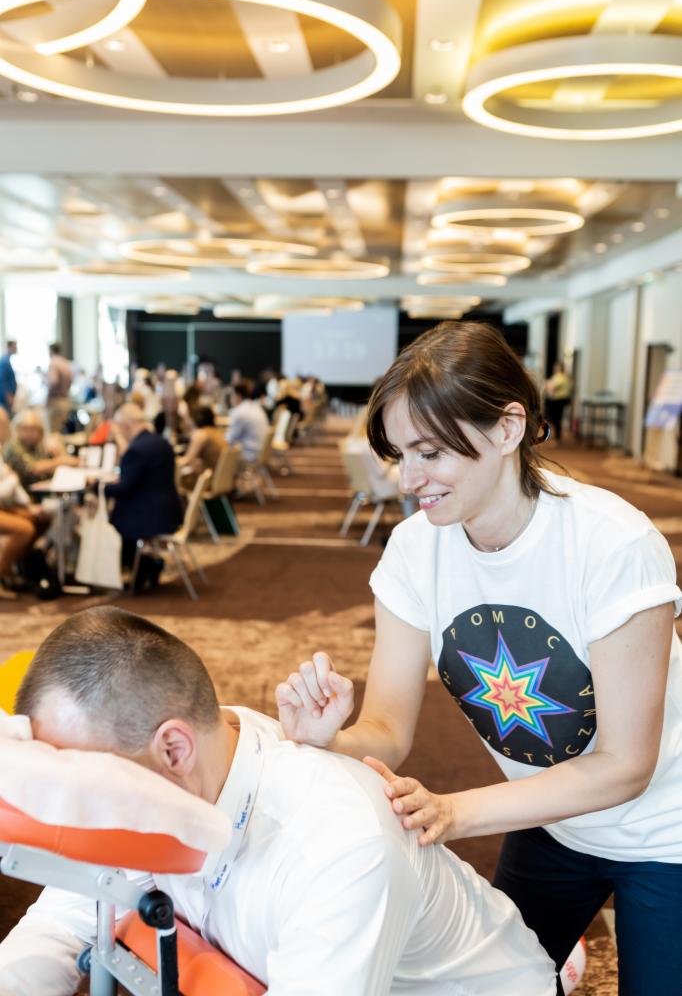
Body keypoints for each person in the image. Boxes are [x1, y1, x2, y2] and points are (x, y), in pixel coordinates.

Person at [276, 321, 682, 996]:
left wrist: (457, 812)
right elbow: (388, 730)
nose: (409, 480)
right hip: (547, 817)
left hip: (667, 834)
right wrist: (334, 741)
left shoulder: (611, 544)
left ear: (507, 429)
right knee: (493, 986)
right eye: (399, 455)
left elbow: (625, 766)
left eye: (430, 453)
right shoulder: (414, 551)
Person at [0, 606, 555, 996]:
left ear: (174, 747)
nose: (75, 801)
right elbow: (61, 922)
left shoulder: (339, 843)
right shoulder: (170, 768)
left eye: (82, 777)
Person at [104, 403, 182, 590]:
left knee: (113, 521)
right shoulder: (161, 443)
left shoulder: (137, 450)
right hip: (169, 510)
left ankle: (144, 567)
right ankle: (147, 567)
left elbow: (124, 488)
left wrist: (98, 487)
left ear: (127, 426)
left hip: (149, 516)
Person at [0, 407, 51, 599]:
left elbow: (14, 487)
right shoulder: (9, 448)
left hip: (6, 504)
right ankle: (2, 574)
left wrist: (29, 507)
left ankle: (16, 568)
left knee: (41, 519)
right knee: (24, 530)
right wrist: (12, 480)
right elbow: (9, 485)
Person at [3, 409, 77, 489]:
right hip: (27, 493)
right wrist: (60, 461)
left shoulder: (39, 444)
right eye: (25, 429)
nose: (29, 433)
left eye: (33, 429)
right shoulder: (12, 446)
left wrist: (59, 449)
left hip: (46, 487)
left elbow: (61, 462)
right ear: (17, 429)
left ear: (40, 431)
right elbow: (33, 468)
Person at [178, 406, 227, 488]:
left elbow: (187, 460)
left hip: (208, 480)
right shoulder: (220, 432)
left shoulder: (201, 434)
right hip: (224, 477)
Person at [227, 379, 269, 464]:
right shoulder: (256, 407)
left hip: (250, 454)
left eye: (232, 395)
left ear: (237, 395)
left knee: (214, 453)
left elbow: (229, 440)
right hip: (260, 450)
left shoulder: (240, 412)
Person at [46, 343, 73, 434]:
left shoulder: (54, 363)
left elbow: (54, 381)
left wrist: (49, 396)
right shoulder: (65, 363)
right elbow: (70, 380)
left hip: (56, 401)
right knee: (60, 431)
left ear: (51, 351)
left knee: (53, 432)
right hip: (65, 400)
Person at [544, 362, 573, 443]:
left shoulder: (559, 377)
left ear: (560, 368)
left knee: (556, 418)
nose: (555, 368)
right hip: (561, 400)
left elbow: (551, 387)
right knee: (557, 418)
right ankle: (557, 436)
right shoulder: (565, 377)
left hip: (558, 400)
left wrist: (548, 385)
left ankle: (557, 437)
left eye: (556, 367)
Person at [0, 341, 17, 415]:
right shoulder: (5, 361)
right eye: (15, 346)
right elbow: (2, 380)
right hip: (5, 399)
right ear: (10, 347)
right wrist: (8, 395)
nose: (16, 348)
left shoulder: (7, 360)